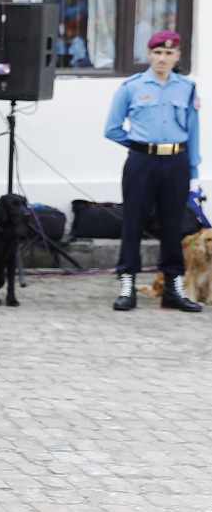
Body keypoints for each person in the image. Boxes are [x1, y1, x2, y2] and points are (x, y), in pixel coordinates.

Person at [106, 29, 202, 312]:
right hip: (142, 162)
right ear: (149, 55)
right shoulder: (131, 87)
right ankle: (127, 284)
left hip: (176, 162)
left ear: (178, 56)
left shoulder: (187, 88)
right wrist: (139, 144)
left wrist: (194, 172)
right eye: (158, 53)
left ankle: (173, 288)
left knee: (174, 225)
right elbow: (111, 128)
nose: (163, 58)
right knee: (133, 222)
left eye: (169, 53)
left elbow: (193, 131)